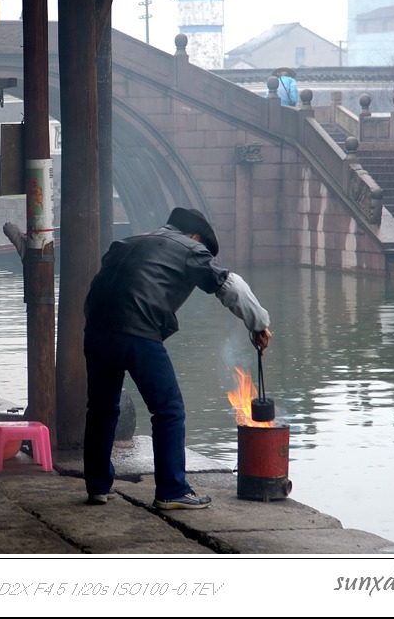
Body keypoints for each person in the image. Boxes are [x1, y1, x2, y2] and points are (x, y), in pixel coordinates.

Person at [82, 207, 272, 509]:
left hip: (96, 330)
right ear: (195, 236)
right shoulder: (189, 248)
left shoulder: (128, 242)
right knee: (168, 410)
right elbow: (229, 285)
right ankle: (172, 490)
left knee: (102, 408)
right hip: (138, 332)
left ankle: (97, 486)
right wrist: (258, 323)